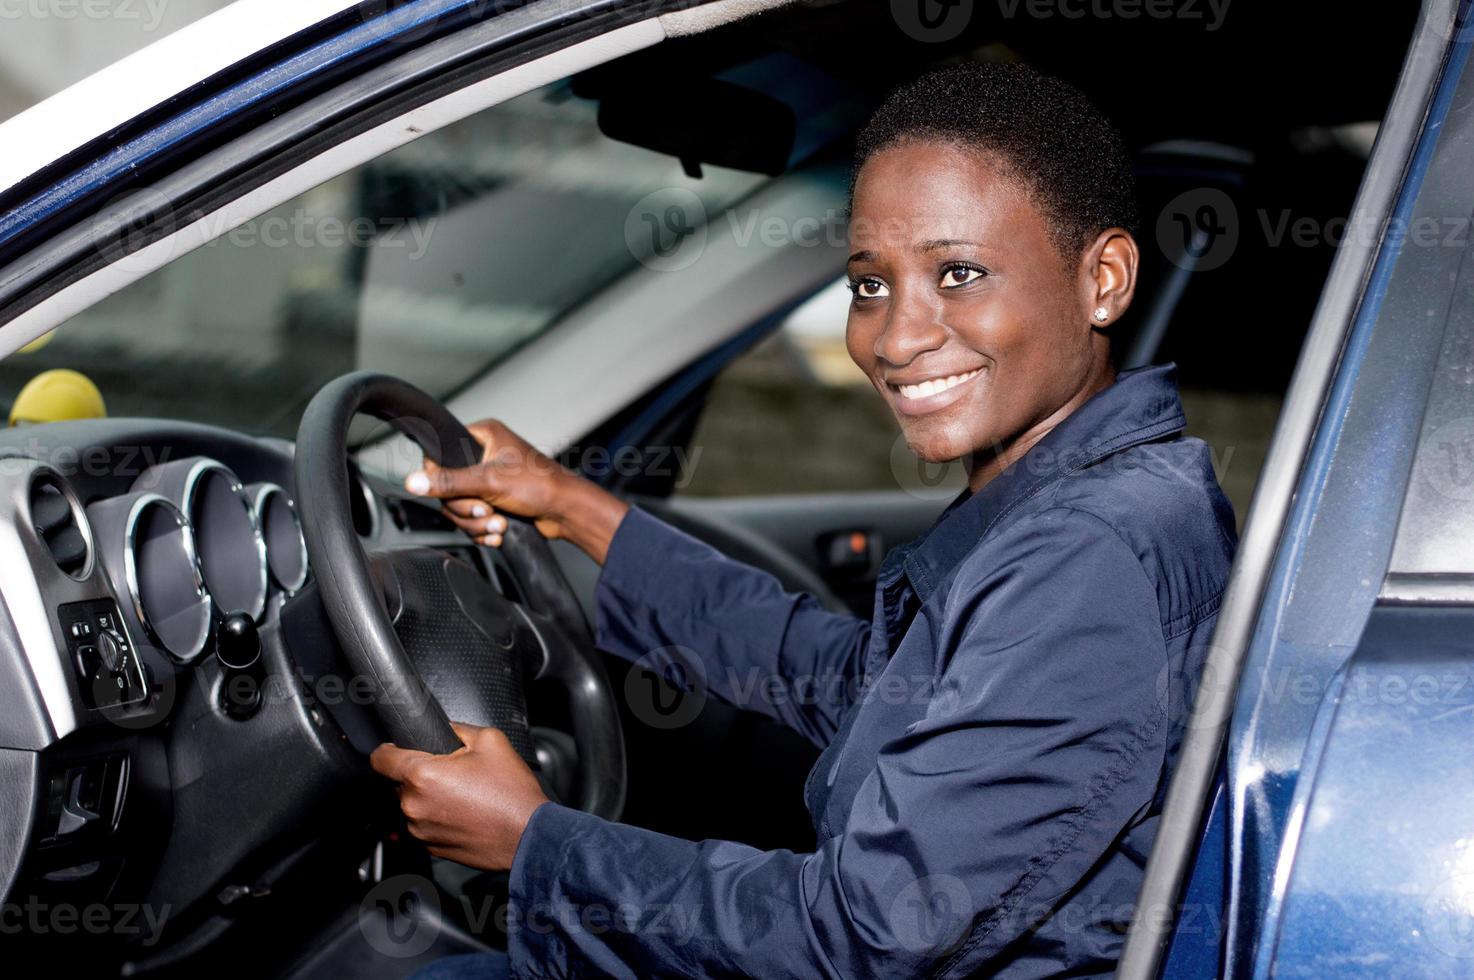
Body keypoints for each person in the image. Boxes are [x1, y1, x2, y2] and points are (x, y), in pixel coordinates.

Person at [368, 61, 1237, 978]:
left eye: (960, 273)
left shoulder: (1089, 554)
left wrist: (536, 844)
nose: (895, 338)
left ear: (1102, 280)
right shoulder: (1080, 497)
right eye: (869, 285)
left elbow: (863, 935)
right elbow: (851, 682)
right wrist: (570, 505)